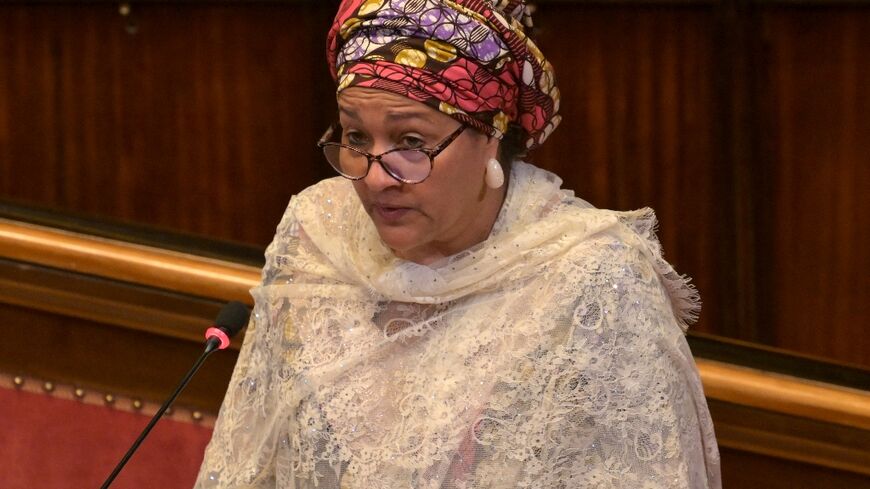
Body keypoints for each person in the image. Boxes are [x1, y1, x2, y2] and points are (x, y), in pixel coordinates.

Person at [195, 0, 721, 487]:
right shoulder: (318, 228)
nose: (376, 178)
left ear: (490, 134)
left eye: (411, 142)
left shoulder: (589, 275)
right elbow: (255, 456)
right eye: (356, 139)